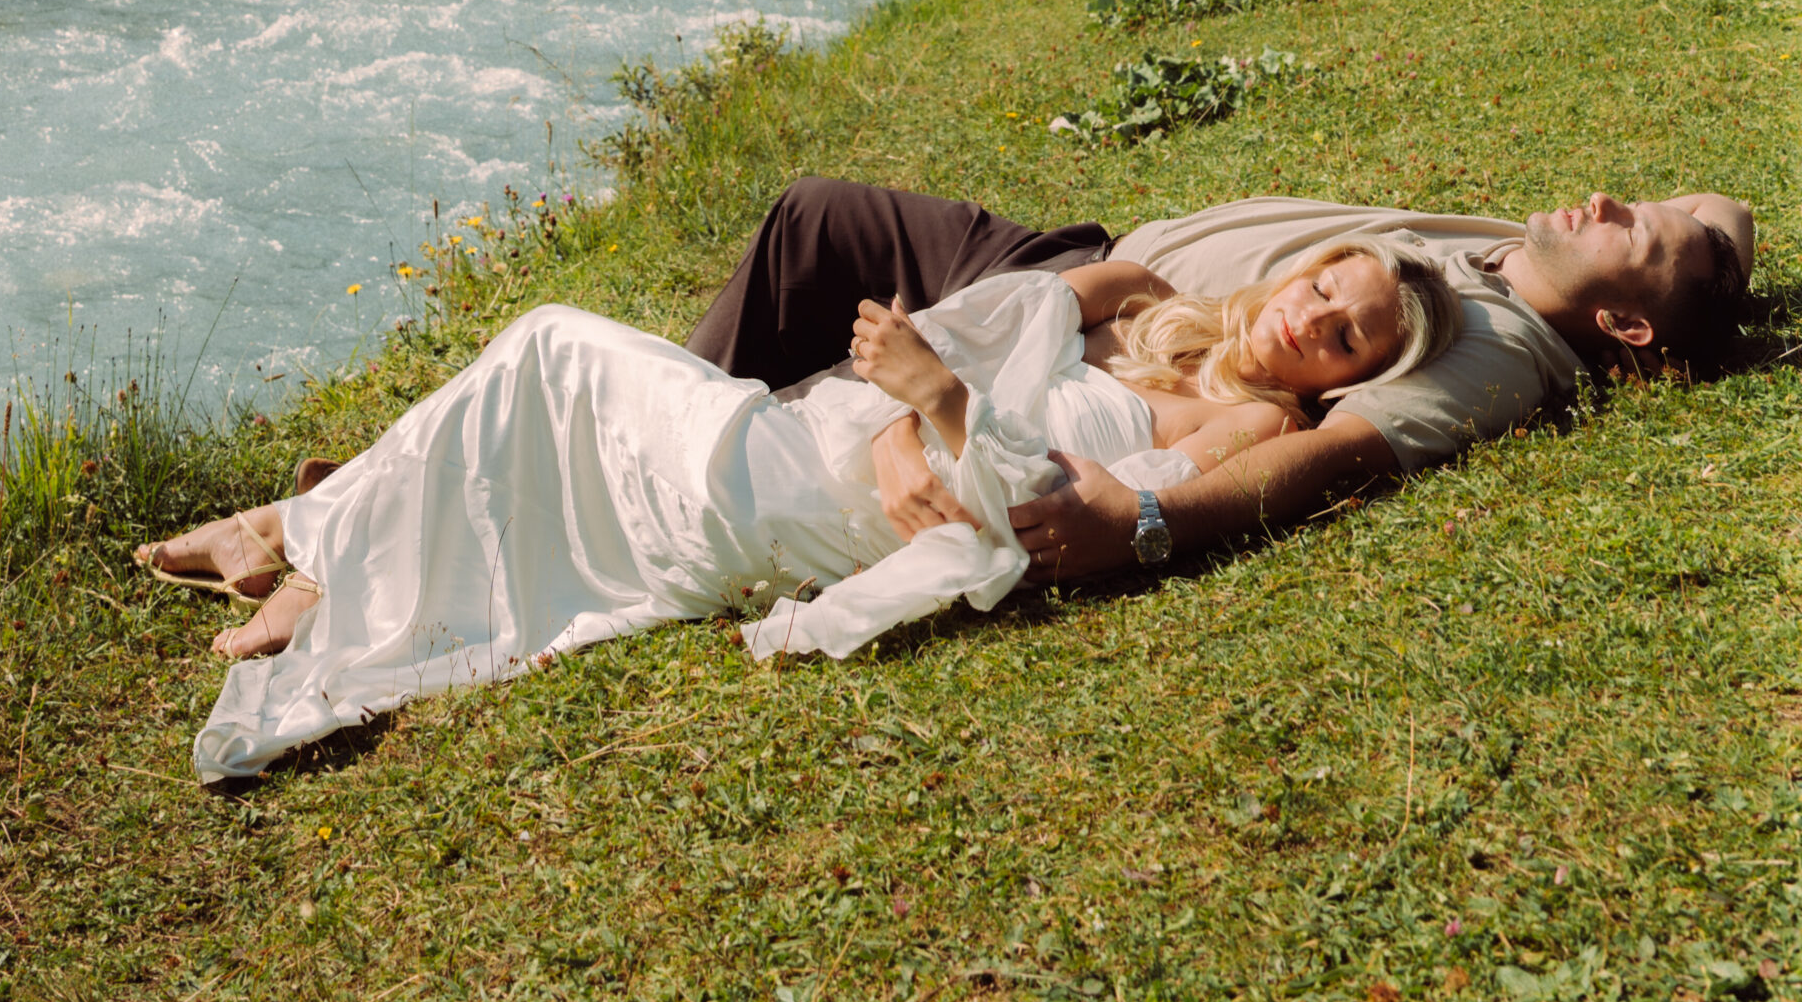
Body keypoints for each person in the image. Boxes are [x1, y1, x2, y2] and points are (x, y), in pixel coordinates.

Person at [139, 232, 1458, 782]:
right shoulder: (1155, 308)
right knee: (548, 378)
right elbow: (1029, 305)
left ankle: (303, 545)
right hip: (825, 442)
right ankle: (307, 540)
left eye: (1348, 337)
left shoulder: (1257, 424)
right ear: (1295, 269)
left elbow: (1075, 513)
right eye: (1324, 287)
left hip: (850, 512)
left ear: (1349, 375)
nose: (1314, 321)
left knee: (554, 345)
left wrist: (938, 409)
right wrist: (916, 402)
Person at [680, 175, 1756, 584]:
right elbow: (1723, 207)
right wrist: (1701, 249)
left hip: (1078, 318)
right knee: (815, 224)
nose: (1608, 198)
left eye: (1633, 234)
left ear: (1619, 320)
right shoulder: (1518, 259)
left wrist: (1145, 521)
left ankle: (693, 457)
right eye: (1630, 202)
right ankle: (716, 435)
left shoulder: (1501, 352)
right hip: (1100, 281)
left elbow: (1332, 452)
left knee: (817, 227)